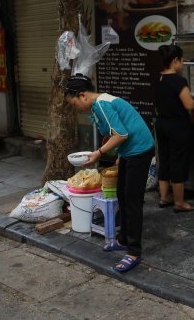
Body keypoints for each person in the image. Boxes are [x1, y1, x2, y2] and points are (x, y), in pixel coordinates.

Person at [65, 74, 154, 273]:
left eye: (74, 103)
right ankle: (123, 239)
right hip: (129, 152)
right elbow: (114, 133)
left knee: (132, 201)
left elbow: (121, 134)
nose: (76, 108)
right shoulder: (98, 105)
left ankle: (134, 252)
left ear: (82, 95)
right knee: (121, 196)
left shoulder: (102, 104)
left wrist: (99, 153)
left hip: (140, 150)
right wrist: (119, 154)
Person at [153, 44, 194, 212]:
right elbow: (189, 105)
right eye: (182, 60)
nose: (183, 63)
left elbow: (170, 98)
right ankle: (179, 202)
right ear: (175, 60)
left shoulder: (158, 78)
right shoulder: (179, 80)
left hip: (161, 124)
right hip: (177, 127)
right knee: (178, 163)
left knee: (165, 160)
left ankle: (164, 197)